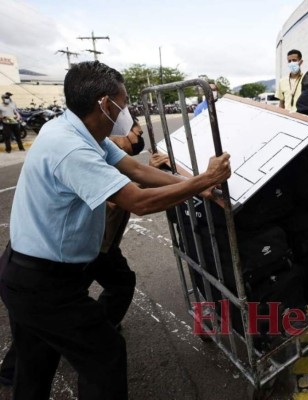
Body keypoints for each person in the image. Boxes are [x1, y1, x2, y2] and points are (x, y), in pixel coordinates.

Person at [0, 60, 231, 400]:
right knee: (103, 356)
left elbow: (137, 171)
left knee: (34, 368)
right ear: (105, 104)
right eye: (124, 103)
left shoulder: (78, 130)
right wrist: (205, 179)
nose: (128, 111)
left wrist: (197, 187)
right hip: (44, 283)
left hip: (30, 273)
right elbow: (138, 201)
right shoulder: (73, 149)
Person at [0, 118, 167, 387]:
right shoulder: (85, 156)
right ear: (119, 134)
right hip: (75, 255)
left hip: (58, 257)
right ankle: (91, 331)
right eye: (136, 133)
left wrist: (169, 178)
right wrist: (202, 183)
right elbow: (125, 202)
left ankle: (18, 368)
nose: (139, 139)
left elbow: (136, 173)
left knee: (36, 336)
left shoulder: (94, 146)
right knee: (90, 341)